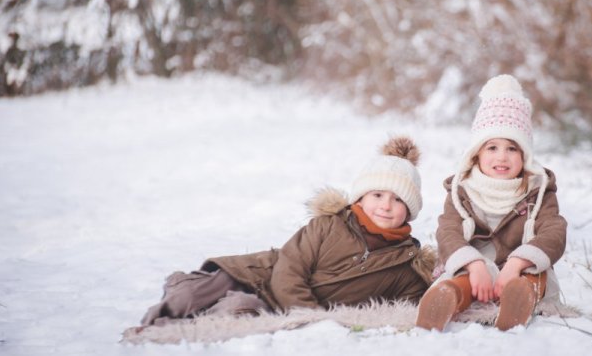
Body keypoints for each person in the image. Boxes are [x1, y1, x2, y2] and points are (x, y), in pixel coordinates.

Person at [140, 136, 435, 326]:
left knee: (236, 312)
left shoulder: (405, 266)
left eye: (398, 200)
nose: (386, 206)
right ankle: (168, 303)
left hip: (270, 306)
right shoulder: (328, 225)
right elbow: (288, 270)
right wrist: (309, 315)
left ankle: (166, 335)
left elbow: (407, 309)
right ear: (360, 198)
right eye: (378, 195)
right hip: (257, 274)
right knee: (189, 296)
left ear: (409, 211)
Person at [416, 74, 567, 331]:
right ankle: (449, 296)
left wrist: (517, 263)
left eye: (512, 148)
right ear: (476, 154)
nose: (502, 157)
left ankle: (519, 298)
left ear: (525, 156)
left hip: (521, 268)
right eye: (492, 147)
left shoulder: (538, 192)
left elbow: (554, 231)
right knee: (461, 278)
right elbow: (448, 231)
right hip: (475, 268)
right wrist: (473, 264)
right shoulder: (462, 190)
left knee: (534, 276)